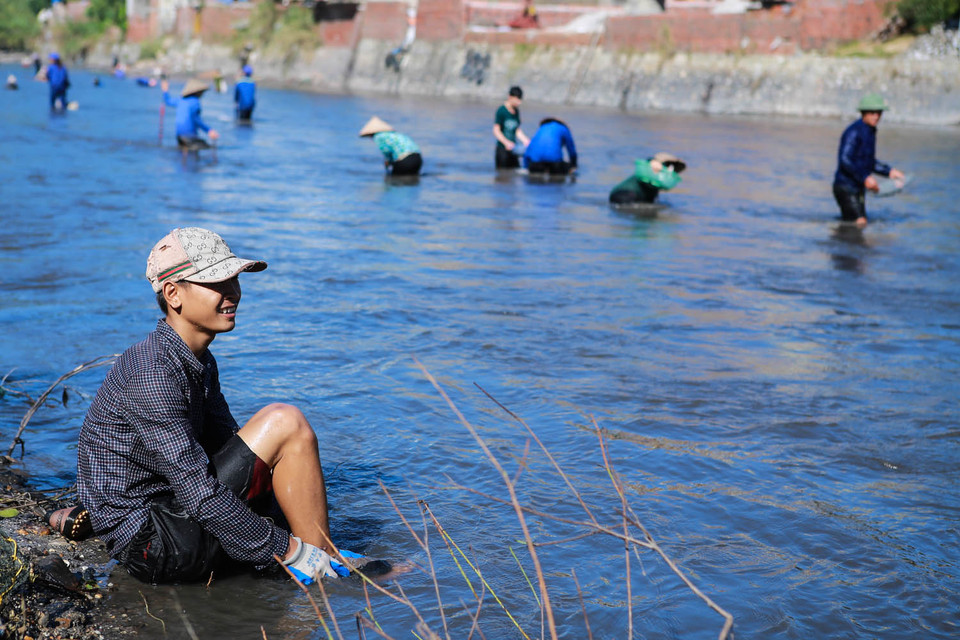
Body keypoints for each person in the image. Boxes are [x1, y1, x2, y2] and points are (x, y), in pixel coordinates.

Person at [47, 227, 361, 586]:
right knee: (285, 422)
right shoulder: (152, 372)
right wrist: (293, 551)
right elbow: (200, 491)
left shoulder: (198, 360)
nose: (232, 293)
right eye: (216, 283)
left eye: (234, 280)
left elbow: (230, 449)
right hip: (156, 544)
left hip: (164, 509)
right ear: (173, 294)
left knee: (275, 470)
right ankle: (324, 571)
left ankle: (316, 555)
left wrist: (282, 515)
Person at [833, 92, 904, 227]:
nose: (876, 116)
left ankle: (842, 241)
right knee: (860, 222)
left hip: (858, 187)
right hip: (845, 186)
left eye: (879, 113)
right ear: (863, 113)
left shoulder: (870, 131)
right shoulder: (853, 132)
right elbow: (845, 159)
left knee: (853, 222)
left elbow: (869, 162)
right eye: (872, 113)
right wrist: (865, 177)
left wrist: (889, 171)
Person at [161, 78, 219, 151]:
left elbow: (167, 101)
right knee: (209, 149)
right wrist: (209, 130)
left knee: (183, 154)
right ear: (197, 92)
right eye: (202, 92)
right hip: (190, 136)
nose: (202, 94)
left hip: (179, 136)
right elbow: (196, 119)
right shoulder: (195, 102)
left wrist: (165, 90)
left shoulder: (180, 100)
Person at [609, 152, 686, 205]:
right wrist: (653, 162)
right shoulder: (648, 171)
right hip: (623, 194)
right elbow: (650, 162)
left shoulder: (656, 183)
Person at [359, 116, 423, 176]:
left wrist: (388, 161)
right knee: (412, 178)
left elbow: (386, 150)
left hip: (405, 160)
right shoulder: (395, 134)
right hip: (418, 158)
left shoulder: (378, 136)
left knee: (395, 181)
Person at [493, 86, 529, 170]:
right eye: (517, 99)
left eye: (520, 100)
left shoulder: (516, 111)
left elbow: (516, 130)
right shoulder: (501, 110)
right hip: (502, 149)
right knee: (502, 176)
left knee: (515, 173)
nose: (519, 102)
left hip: (513, 148)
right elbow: (496, 130)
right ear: (510, 97)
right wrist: (506, 142)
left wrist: (526, 140)